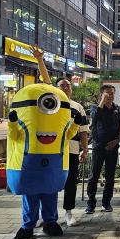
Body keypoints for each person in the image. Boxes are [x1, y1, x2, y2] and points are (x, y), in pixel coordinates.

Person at [32, 46, 89, 227]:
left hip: (71, 150)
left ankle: (69, 212)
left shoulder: (77, 107)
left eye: (68, 86)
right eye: (62, 85)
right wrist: (40, 60)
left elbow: (83, 130)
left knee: (71, 182)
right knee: (47, 181)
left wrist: (85, 149)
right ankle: (48, 215)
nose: (66, 88)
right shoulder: (52, 103)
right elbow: (47, 82)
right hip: (50, 149)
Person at [86, 84, 120, 214]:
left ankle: (106, 203)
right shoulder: (95, 108)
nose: (110, 95)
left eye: (112, 93)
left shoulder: (118, 109)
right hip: (98, 147)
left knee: (110, 177)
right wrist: (102, 102)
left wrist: (117, 140)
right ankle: (91, 203)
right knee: (93, 176)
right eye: (107, 93)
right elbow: (93, 122)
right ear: (102, 94)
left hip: (112, 148)